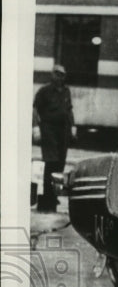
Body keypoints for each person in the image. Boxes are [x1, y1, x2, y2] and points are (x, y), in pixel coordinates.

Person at [32, 64, 75, 212]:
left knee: (59, 166)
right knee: (50, 164)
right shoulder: (44, 91)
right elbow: (35, 109)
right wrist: (35, 127)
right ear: (52, 75)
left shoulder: (66, 91)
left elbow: (69, 110)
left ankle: (53, 198)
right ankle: (45, 202)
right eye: (56, 74)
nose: (59, 77)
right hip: (48, 130)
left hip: (62, 132)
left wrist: (73, 126)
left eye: (62, 74)